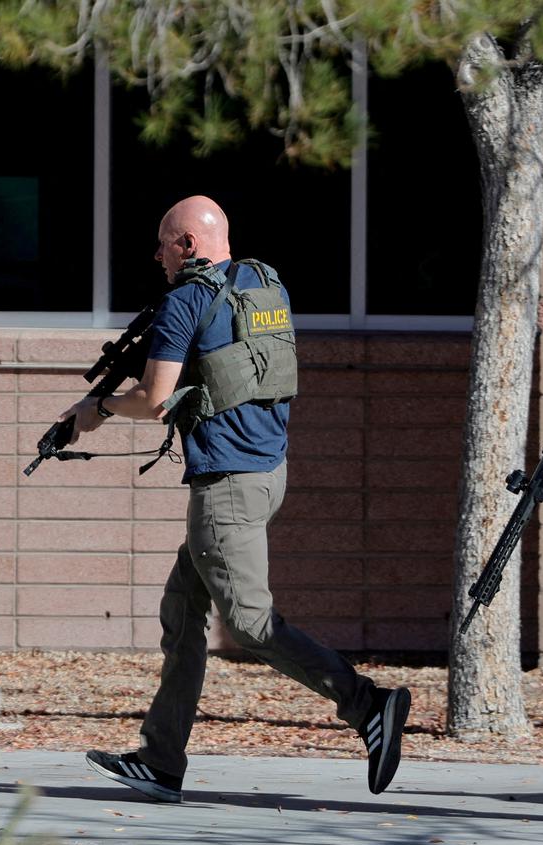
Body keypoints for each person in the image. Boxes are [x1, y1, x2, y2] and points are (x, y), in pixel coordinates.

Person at [58, 195, 411, 804]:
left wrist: (97, 410)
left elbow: (154, 400)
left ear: (188, 245)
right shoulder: (261, 284)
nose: (158, 255)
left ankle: (367, 704)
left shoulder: (184, 300)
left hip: (226, 489)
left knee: (249, 623)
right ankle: (161, 760)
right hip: (268, 473)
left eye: (165, 243)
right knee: (181, 610)